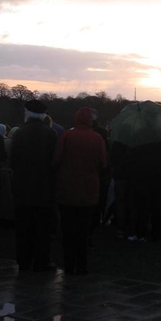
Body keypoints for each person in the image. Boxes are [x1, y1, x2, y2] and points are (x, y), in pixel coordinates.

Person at [54, 107, 106, 274]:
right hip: (89, 190)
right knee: (83, 230)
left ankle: (68, 265)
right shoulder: (97, 138)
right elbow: (103, 163)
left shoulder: (67, 136)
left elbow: (56, 160)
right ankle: (82, 265)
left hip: (67, 189)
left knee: (68, 230)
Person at [9, 99, 58, 272]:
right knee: (42, 230)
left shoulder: (20, 134)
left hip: (22, 188)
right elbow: (55, 162)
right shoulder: (50, 134)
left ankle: (23, 260)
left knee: (23, 228)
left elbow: (12, 161)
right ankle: (41, 261)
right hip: (44, 189)